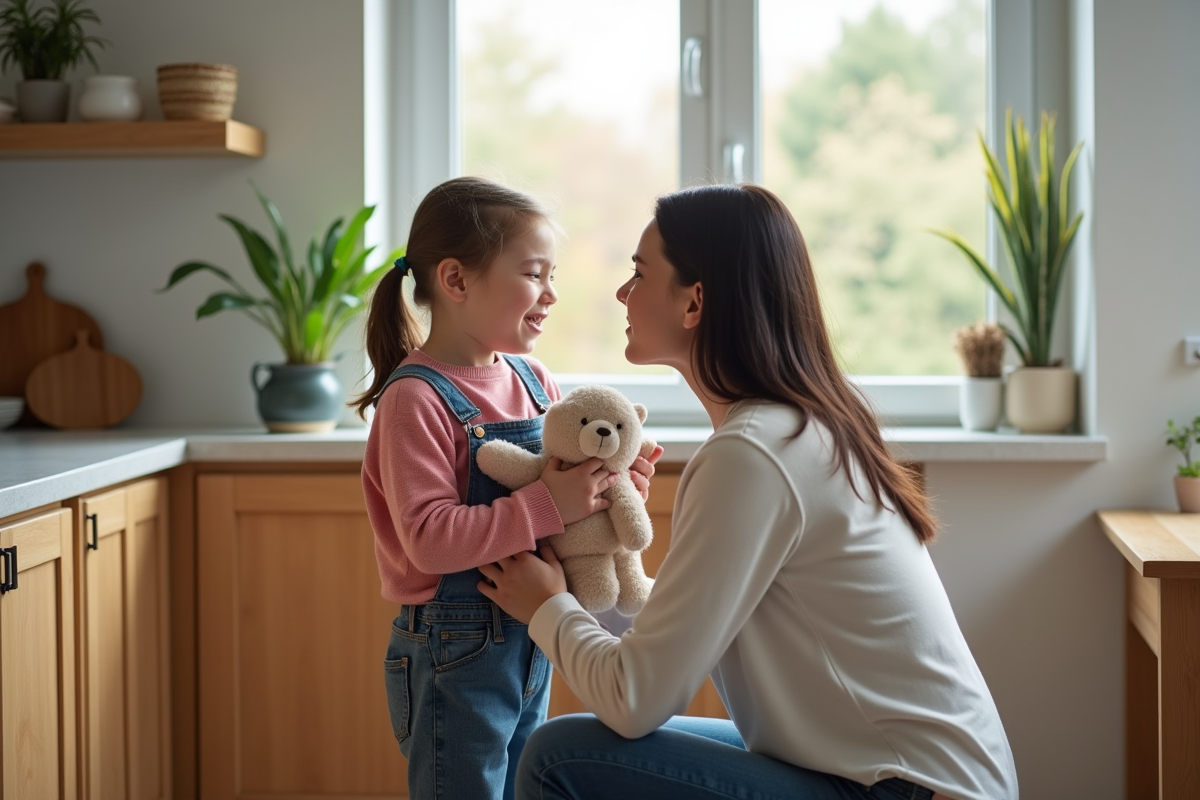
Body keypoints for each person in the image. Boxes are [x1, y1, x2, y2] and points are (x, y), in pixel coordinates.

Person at [478, 183, 1020, 800]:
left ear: (695, 302)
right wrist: (579, 566)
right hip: (906, 774)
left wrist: (548, 608)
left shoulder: (751, 454)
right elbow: (675, 635)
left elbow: (635, 700)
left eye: (640, 273)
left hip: (905, 788)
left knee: (558, 756)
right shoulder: (799, 429)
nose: (624, 293)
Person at [354, 176, 657, 800]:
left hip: (531, 629)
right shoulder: (413, 399)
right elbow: (431, 542)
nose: (551, 294)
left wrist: (607, 490)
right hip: (451, 649)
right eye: (533, 274)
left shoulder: (532, 377)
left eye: (551, 275)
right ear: (456, 281)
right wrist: (552, 502)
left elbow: (562, 496)